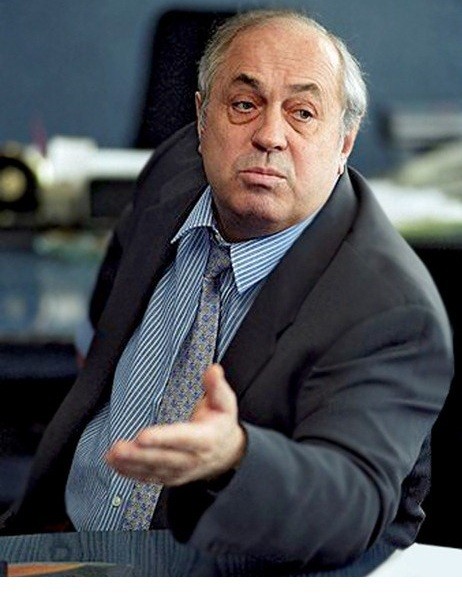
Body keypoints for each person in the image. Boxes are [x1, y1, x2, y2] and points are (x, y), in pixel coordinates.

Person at [0, 9, 453, 575]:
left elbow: (355, 500)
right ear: (201, 118)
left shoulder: (390, 308)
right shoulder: (174, 173)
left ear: (344, 144)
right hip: (61, 540)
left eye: (302, 113)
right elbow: (110, 304)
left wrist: (236, 456)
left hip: (221, 575)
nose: (269, 136)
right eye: (243, 105)